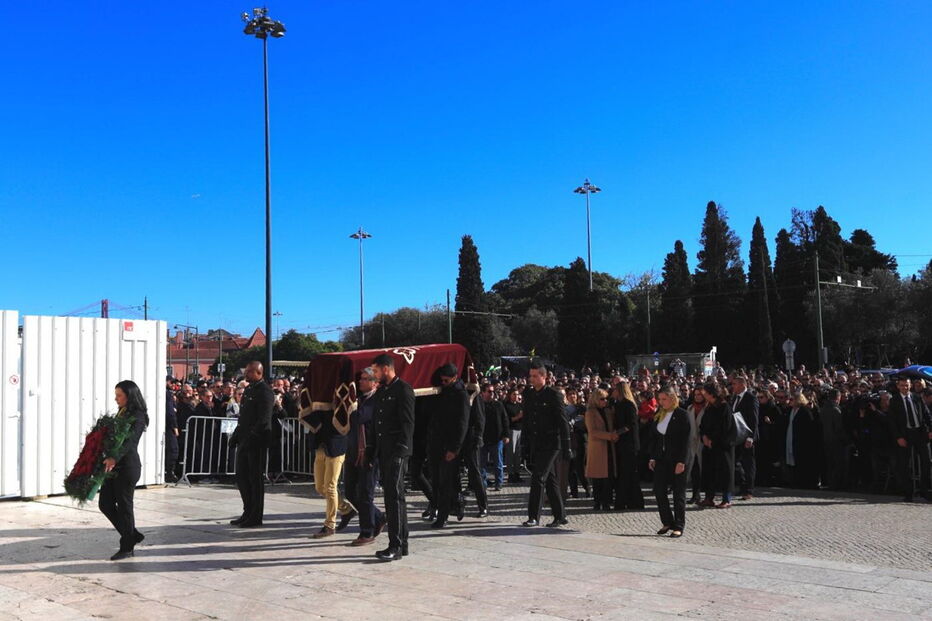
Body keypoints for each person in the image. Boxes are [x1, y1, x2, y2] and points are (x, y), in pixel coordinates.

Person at [370, 353, 415, 561]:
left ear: (386, 368)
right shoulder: (382, 391)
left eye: (376, 370)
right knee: (392, 498)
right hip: (385, 451)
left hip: (397, 451)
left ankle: (395, 545)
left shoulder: (403, 389)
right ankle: (401, 544)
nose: (374, 374)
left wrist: (401, 450)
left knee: (395, 498)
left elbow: (407, 423)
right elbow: (377, 424)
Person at [99, 380, 149, 561]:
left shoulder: (138, 415)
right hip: (113, 466)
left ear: (129, 396)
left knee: (125, 506)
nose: (116, 398)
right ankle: (132, 534)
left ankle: (127, 546)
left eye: (119, 395)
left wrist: (114, 457)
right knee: (105, 504)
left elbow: (130, 442)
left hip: (127, 467)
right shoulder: (121, 412)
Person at [304, 380, 356, 538]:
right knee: (320, 487)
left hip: (336, 445)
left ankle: (329, 524)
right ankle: (346, 509)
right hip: (321, 445)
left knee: (330, 486)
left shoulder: (342, 398)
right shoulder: (317, 398)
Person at [522, 360, 571, 528]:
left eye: (535, 376)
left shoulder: (553, 395)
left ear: (544, 377)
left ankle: (533, 516)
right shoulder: (529, 394)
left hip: (552, 442)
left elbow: (563, 422)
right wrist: (525, 443)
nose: (532, 379)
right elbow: (528, 420)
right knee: (550, 480)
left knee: (538, 477)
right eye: (530, 376)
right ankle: (560, 515)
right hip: (538, 442)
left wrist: (567, 446)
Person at [341, 368, 385, 546]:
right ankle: (379, 517)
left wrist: (351, 405)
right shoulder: (358, 399)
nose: (361, 382)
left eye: (366, 379)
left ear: (375, 383)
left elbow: (360, 417)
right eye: (360, 379)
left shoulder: (376, 400)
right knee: (351, 493)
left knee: (365, 494)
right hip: (353, 452)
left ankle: (367, 532)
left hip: (369, 453)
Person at [229, 361, 274, 528]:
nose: (246, 374)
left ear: (258, 372)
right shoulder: (249, 389)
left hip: (257, 441)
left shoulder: (265, 391)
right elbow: (244, 418)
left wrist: (251, 437)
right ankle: (247, 510)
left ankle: (256, 515)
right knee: (242, 477)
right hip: (244, 438)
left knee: (255, 480)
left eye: (249, 372)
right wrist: (236, 436)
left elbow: (263, 420)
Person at [648, 385, 695, 538]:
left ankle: (679, 525)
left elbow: (686, 441)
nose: (661, 402)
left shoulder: (682, 414)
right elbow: (656, 438)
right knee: (659, 490)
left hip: (678, 460)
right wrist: (653, 457)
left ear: (672, 398)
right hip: (661, 458)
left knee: (678, 493)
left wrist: (682, 461)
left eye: (664, 399)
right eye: (659, 399)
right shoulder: (659, 414)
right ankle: (667, 521)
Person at [428, 364, 470, 528]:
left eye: (446, 379)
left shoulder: (461, 395)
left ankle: (443, 516)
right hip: (436, 443)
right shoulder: (442, 391)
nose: (443, 381)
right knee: (437, 481)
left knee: (445, 482)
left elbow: (462, 423)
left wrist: (455, 448)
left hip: (450, 446)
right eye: (442, 379)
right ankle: (454, 504)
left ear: (454, 377)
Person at [888, 376, 932, 501]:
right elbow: (892, 422)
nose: (905, 387)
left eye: (906, 385)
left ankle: (924, 490)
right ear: (898, 386)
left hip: (919, 432)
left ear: (910, 385)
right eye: (902, 385)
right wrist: (898, 437)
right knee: (904, 464)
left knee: (926, 461)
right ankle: (908, 492)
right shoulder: (894, 400)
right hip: (905, 433)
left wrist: (930, 429)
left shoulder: (917, 397)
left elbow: (926, 414)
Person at [698, 382, 736, 509]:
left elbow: (725, 428)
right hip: (709, 446)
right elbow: (703, 424)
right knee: (709, 472)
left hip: (722, 445)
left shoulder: (724, 407)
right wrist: (704, 436)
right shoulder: (709, 407)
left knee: (725, 472)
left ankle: (726, 498)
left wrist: (713, 440)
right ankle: (709, 497)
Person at [611, 381, 643, 510]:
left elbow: (630, 425)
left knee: (629, 473)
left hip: (629, 444)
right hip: (622, 443)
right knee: (625, 473)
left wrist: (617, 433)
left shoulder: (629, 405)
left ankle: (631, 501)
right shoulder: (618, 404)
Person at [584, 389, 618, 511]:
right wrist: (609, 436)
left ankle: (606, 501)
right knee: (598, 477)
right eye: (602, 399)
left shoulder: (608, 411)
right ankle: (597, 501)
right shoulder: (590, 413)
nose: (605, 401)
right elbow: (592, 431)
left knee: (608, 476)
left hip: (608, 446)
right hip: (598, 447)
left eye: (605, 399)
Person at [729, 375, 758, 500]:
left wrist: (751, 437)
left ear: (742, 384)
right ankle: (742, 486)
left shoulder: (750, 398)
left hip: (747, 436)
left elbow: (754, 419)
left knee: (748, 463)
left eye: (735, 384)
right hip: (737, 435)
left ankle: (749, 489)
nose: (733, 386)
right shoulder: (735, 398)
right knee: (736, 462)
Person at [784, 391, 819, 489]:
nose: (790, 401)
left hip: (802, 441)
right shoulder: (790, 410)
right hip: (791, 437)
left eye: (792, 399)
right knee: (793, 462)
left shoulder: (805, 411)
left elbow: (809, 427)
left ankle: (804, 483)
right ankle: (795, 481)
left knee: (802, 462)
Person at [480, 383, 510, 492]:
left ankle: (499, 483)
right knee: (482, 464)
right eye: (489, 391)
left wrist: (506, 435)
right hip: (483, 439)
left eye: (493, 391)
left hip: (497, 439)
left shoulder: (499, 405)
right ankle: (483, 484)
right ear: (483, 393)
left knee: (498, 464)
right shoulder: (479, 405)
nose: (492, 393)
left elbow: (505, 420)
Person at [686, 387, 706, 503]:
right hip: (692, 442)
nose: (698, 396)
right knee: (693, 469)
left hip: (703, 442)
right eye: (696, 394)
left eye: (700, 395)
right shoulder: (690, 408)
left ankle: (706, 494)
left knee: (702, 468)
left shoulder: (707, 408)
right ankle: (695, 494)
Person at [503, 389, 524, 483]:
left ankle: (517, 473)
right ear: (509, 395)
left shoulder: (519, 405)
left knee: (518, 454)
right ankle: (510, 474)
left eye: (517, 394)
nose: (516, 396)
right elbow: (507, 419)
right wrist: (518, 417)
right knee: (511, 453)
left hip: (520, 430)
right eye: (514, 394)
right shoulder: (506, 405)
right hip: (511, 430)